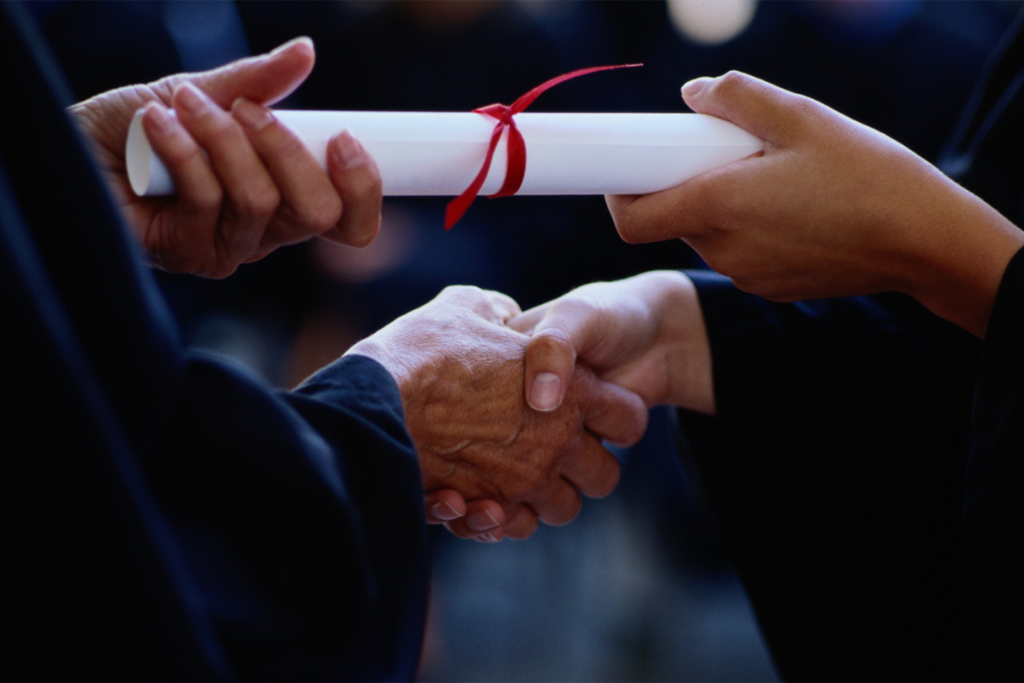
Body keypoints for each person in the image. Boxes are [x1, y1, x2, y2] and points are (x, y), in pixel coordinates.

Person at [0, 0, 647, 679]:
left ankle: (371, 551)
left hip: (486, 284)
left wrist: (64, 177)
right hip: (341, 306)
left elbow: (567, 243)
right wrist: (372, 412)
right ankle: (379, 562)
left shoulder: (553, 46)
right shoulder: (356, 41)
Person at [511, 8, 1024, 682]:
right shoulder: (763, 39)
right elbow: (962, 356)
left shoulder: (948, 51)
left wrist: (925, 243)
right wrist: (681, 327)